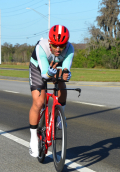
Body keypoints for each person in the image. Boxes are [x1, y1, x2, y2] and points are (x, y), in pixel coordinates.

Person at [28, 25, 74, 157]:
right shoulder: (41, 47)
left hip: (56, 66)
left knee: (62, 84)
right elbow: (44, 74)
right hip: (39, 68)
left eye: (62, 46)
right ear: (49, 42)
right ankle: (33, 138)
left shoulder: (70, 48)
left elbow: (66, 67)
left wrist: (66, 74)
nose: (58, 49)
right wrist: (49, 74)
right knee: (39, 102)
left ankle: (60, 116)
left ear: (66, 44)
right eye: (55, 46)